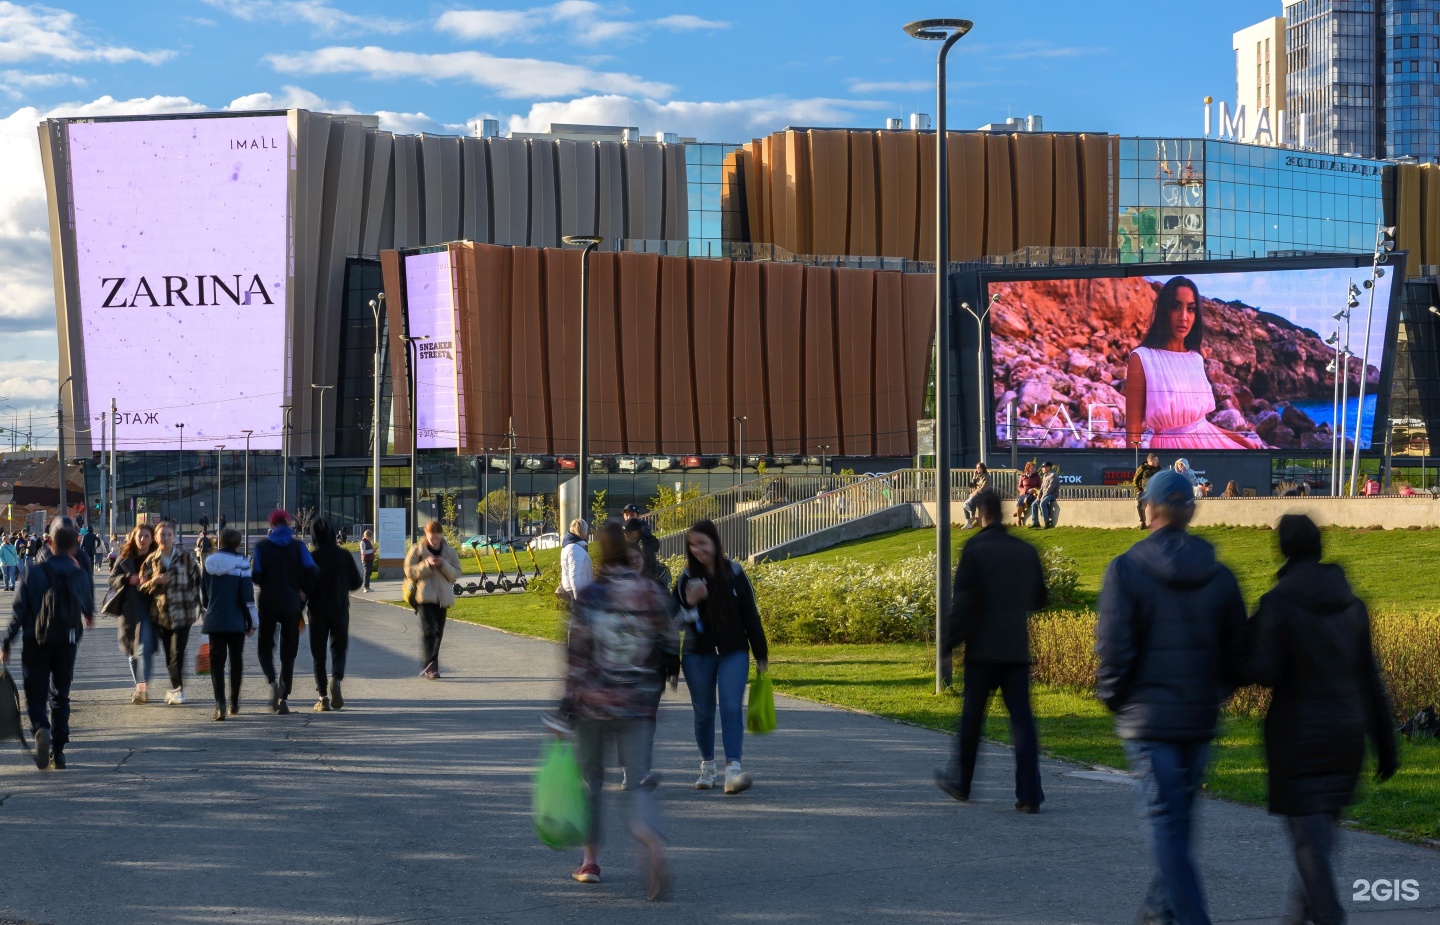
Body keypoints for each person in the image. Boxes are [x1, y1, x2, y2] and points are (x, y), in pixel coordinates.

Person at [1096, 469, 1248, 925]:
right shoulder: (1220, 575)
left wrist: (1114, 697)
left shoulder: (1126, 568)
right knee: (1179, 820)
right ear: (1190, 511)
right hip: (1198, 717)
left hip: (1148, 719)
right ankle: (1159, 907)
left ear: (1150, 509)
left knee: (1166, 820)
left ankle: (1188, 915)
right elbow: (1237, 652)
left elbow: (1114, 645)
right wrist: (1215, 693)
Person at [1247, 514, 1398, 925]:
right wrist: (1386, 742)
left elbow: (1263, 670)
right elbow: (1370, 678)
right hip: (1346, 736)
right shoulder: (1351, 604)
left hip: (1299, 739)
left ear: (1283, 550)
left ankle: (1330, 917)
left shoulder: (1279, 603)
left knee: (1310, 847)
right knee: (1319, 842)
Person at [551, 521, 677, 897]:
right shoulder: (649, 592)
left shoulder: (591, 597)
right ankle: (651, 842)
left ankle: (590, 861)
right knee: (637, 780)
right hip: (637, 703)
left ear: (599, 554)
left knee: (592, 783)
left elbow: (576, 659)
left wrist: (563, 712)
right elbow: (670, 638)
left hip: (594, 705)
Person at [935, 489, 1049, 811]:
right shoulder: (1025, 550)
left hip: (982, 650)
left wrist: (948, 644)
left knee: (972, 717)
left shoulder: (974, 549)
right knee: (1022, 721)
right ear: (1001, 512)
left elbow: (964, 604)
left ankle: (962, 783)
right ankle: (1029, 794)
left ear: (981, 513)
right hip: (1015, 648)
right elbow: (1039, 599)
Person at [674, 519, 769, 794]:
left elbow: (751, 616)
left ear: (716, 543)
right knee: (703, 712)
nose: (697, 550)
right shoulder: (685, 577)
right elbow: (672, 621)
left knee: (730, 708)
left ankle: (733, 769)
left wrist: (761, 654)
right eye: (692, 545)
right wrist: (690, 603)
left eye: (702, 543)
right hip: (696, 654)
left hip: (734, 652)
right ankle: (707, 765)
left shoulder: (735, 573)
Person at [1125, 276, 1265, 450]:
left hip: (1207, 446)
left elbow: (1200, 425)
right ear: (1164, 311)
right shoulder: (1142, 358)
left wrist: (1240, 439)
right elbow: (1133, 431)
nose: (1183, 317)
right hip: (1170, 455)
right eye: (1175, 306)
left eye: (1191, 309)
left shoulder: (1195, 359)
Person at [2, 521, 93, 770]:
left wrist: (7, 642)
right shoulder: (79, 573)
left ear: (49, 542)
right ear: (75, 546)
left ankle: (41, 726)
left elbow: (19, 612)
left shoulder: (33, 571)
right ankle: (59, 750)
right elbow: (88, 606)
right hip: (67, 640)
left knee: (36, 694)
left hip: (35, 641)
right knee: (60, 695)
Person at [252, 510, 318, 714]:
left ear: (271, 525)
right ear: (288, 524)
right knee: (288, 652)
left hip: (268, 601)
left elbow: (256, 575)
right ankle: (284, 697)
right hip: (292, 602)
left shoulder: (261, 546)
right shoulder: (298, 546)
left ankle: (273, 682)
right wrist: (302, 590)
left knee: (265, 647)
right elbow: (312, 569)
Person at [139, 520, 203, 706]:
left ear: (174, 537)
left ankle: (178, 689)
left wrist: (198, 604)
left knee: (177, 652)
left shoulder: (186, 557)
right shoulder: (151, 560)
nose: (165, 537)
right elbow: (142, 587)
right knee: (169, 654)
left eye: (168, 534)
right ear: (156, 537)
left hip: (184, 613)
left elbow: (197, 581)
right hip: (161, 614)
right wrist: (154, 582)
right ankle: (176, 687)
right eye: (161, 534)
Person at [200, 528, 256, 721]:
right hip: (236, 619)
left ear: (219, 543)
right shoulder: (242, 563)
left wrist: (209, 608)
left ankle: (219, 704)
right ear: (238, 544)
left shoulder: (208, 563)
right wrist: (252, 621)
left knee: (216, 663)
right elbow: (246, 595)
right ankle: (234, 702)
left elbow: (204, 594)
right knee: (236, 660)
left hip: (215, 619)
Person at [307, 518, 362, 711]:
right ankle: (337, 678)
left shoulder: (312, 557)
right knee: (339, 648)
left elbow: (305, 586)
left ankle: (322, 697)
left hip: (317, 611)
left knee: (318, 654)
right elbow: (356, 583)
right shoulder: (344, 555)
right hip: (339, 608)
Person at [403, 520, 462, 679]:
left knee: (439, 632)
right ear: (426, 535)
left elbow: (456, 573)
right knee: (429, 630)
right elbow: (409, 571)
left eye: (437, 536)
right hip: (424, 596)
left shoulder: (449, 552)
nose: (434, 539)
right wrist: (426, 564)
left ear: (441, 535)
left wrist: (443, 564)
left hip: (442, 597)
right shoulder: (417, 550)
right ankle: (431, 666)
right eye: (431, 536)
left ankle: (431, 663)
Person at [110, 523, 158, 704]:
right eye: (139, 536)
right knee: (132, 652)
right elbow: (112, 579)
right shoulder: (124, 557)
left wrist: (153, 580)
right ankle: (139, 686)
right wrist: (127, 579)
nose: (142, 539)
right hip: (129, 609)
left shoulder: (156, 557)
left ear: (152, 538)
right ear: (133, 538)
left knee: (144, 648)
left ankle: (142, 689)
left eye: (146, 536)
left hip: (149, 607)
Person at [623, 518, 671, 589]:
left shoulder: (644, 548)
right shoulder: (640, 543)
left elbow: (647, 574)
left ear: (634, 532)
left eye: (626, 533)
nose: (624, 536)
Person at [559, 518, 593, 602]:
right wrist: (578, 597)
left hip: (575, 589)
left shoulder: (570, 546)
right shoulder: (575, 549)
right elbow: (574, 575)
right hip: (578, 590)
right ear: (583, 530)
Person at [961, 462, 988, 529]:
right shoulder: (978, 475)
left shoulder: (986, 476)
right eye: (977, 468)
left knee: (972, 500)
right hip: (975, 493)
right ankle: (968, 522)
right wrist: (974, 476)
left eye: (979, 468)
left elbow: (984, 487)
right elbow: (971, 486)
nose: (977, 469)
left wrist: (976, 492)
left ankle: (972, 516)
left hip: (983, 493)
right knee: (964, 505)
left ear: (983, 468)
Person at [1014, 461, 1041, 527]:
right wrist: (1026, 491)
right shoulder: (1023, 476)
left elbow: (1040, 486)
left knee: (1027, 500)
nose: (1034, 469)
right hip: (1024, 493)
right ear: (1028, 469)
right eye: (1032, 468)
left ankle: (1018, 513)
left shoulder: (1037, 476)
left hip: (1032, 494)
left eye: (1034, 468)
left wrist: (1034, 489)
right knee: (1019, 503)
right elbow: (1019, 487)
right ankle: (1019, 519)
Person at [1038, 461, 1060, 528]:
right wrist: (1039, 494)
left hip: (1052, 494)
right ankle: (1035, 522)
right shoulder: (1045, 475)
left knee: (1042, 503)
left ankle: (1046, 522)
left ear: (1048, 468)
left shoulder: (1053, 475)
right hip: (1045, 494)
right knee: (1034, 504)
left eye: (1044, 467)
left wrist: (1043, 497)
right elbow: (1042, 486)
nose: (1042, 469)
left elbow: (1050, 489)